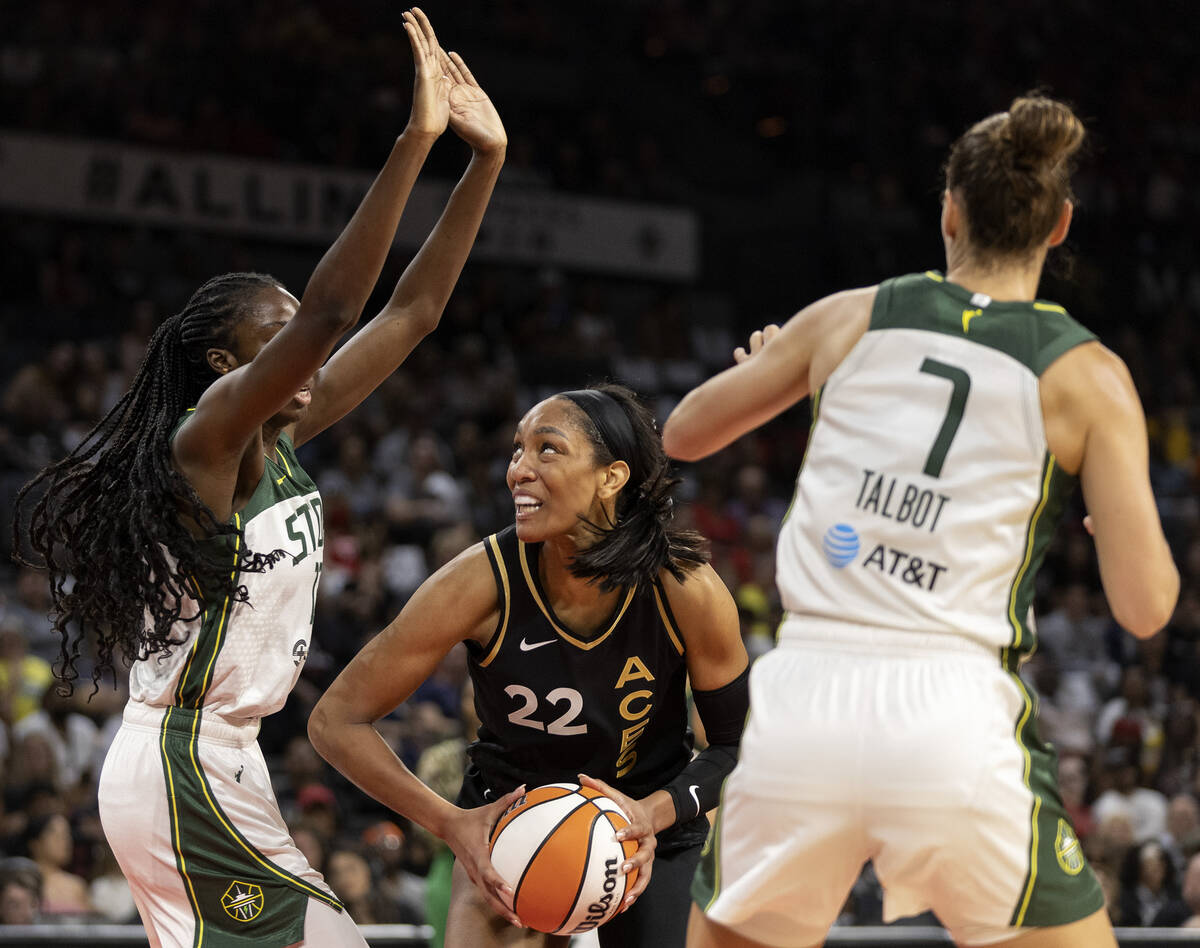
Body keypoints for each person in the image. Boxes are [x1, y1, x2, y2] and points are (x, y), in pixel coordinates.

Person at [12, 9, 506, 946]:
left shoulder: (282, 436)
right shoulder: (204, 445)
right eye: (270, 346)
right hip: (183, 760)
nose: (303, 364)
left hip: (221, 761)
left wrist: (484, 162)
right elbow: (329, 315)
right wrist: (414, 140)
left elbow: (416, 311)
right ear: (218, 366)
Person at [663, 94, 1179, 948]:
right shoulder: (1089, 375)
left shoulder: (848, 316)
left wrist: (782, 366)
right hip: (956, 718)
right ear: (1059, 227)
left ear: (949, 211)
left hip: (806, 705)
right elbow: (1147, 610)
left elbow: (683, 432)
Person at [309, 383, 750, 947]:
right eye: (517, 450)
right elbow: (335, 721)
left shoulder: (684, 586)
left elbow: (736, 747)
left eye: (547, 449)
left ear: (611, 477)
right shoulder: (479, 581)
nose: (519, 469)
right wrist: (449, 822)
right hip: (512, 827)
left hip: (650, 826)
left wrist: (654, 813)